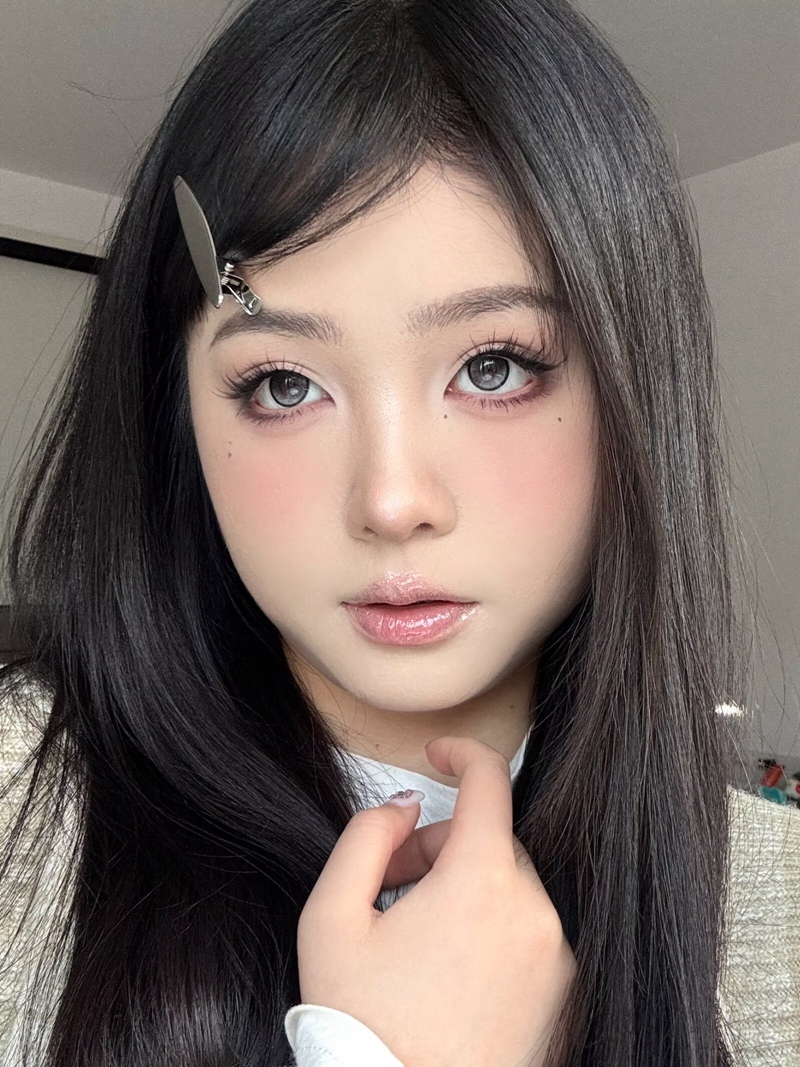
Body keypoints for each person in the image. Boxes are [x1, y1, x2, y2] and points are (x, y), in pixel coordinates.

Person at [1, 0, 798, 1064]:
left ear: (634, 397)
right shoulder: (19, 815)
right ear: (177, 416)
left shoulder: (777, 906)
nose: (390, 499)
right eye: (283, 382)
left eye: (493, 367)